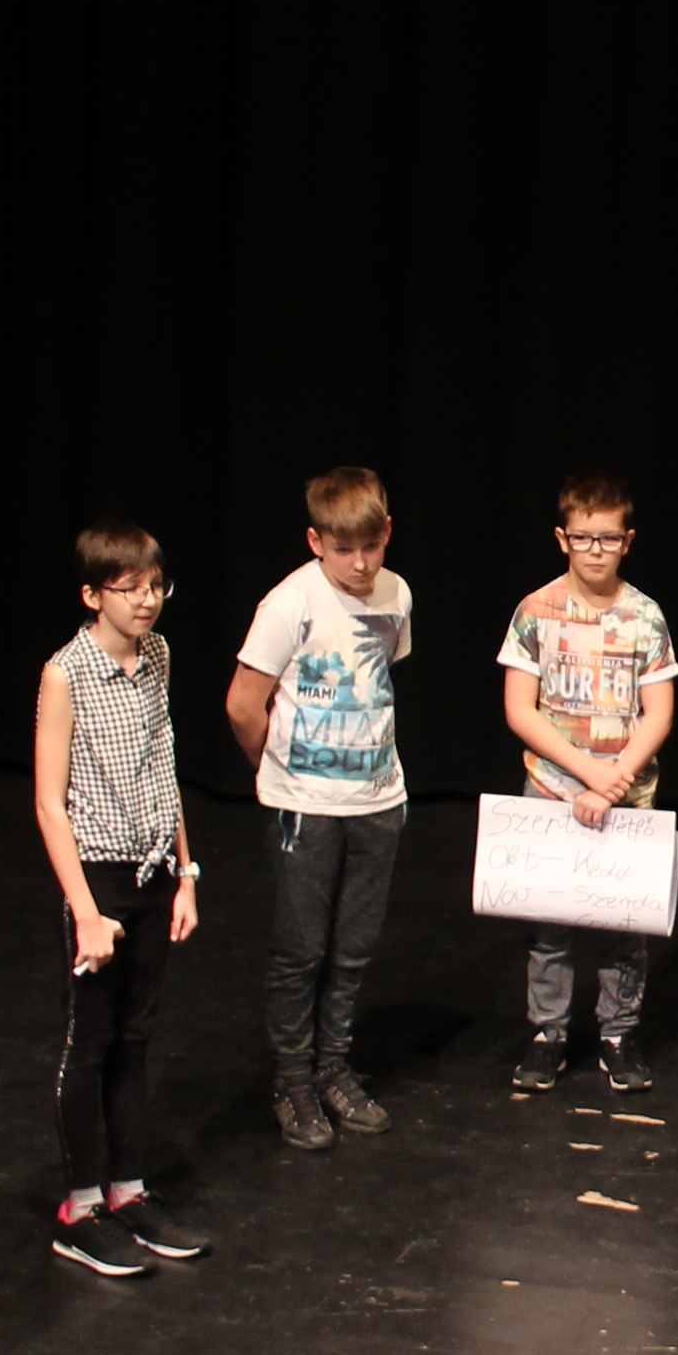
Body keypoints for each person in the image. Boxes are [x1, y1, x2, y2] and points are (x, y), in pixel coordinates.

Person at [34, 522, 207, 1279]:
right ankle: (80, 1208)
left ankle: (129, 1190)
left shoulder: (158, 655)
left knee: (135, 1037)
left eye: (155, 586)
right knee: (92, 1040)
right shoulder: (65, 674)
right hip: (98, 881)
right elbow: (49, 803)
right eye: (129, 588)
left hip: (153, 871)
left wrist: (186, 871)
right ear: (91, 594)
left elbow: (164, 769)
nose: (146, 600)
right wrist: (84, 911)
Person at [228, 469, 414, 1152]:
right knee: (302, 949)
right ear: (315, 542)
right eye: (343, 550)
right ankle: (293, 1081)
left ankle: (334, 1067)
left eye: (371, 546)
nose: (360, 563)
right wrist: (274, 769)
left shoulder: (397, 594)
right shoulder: (289, 603)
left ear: (386, 532)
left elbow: (381, 674)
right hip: (305, 805)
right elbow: (243, 704)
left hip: (377, 800)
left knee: (354, 947)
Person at [499, 472, 678, 1094]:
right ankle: (547, 1033)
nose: (595, 550)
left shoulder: (645, 616)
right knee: (549, 925)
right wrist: (586, 774)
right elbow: (520, 709)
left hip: (626, 793)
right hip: (553, 789)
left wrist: (614, 780)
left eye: (607, 538)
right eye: (583, 538)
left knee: (622, 927)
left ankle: (618, 1034)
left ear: (627, 541)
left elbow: (659, 713)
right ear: (562, 539)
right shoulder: (536, 610)